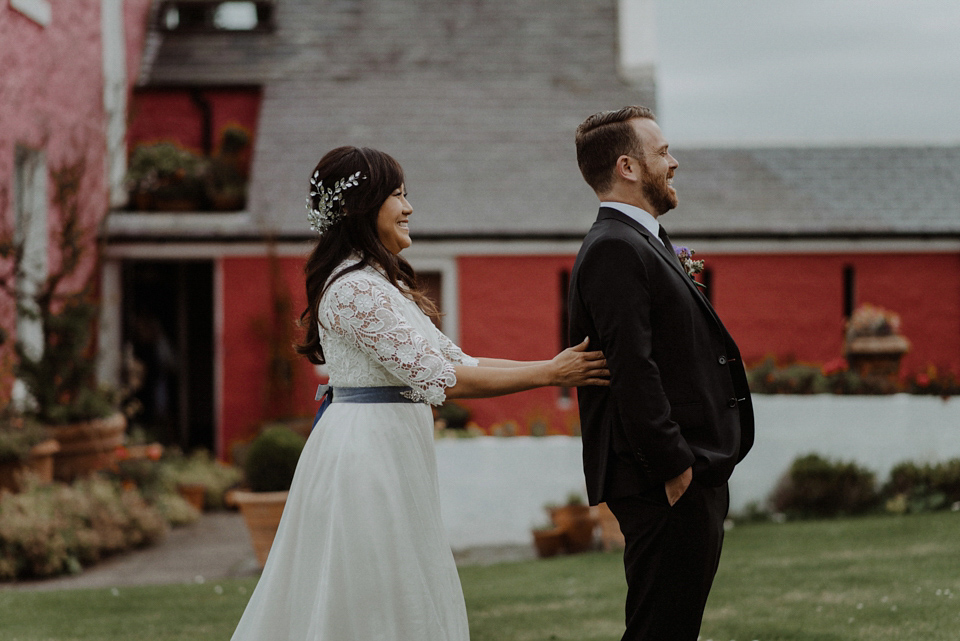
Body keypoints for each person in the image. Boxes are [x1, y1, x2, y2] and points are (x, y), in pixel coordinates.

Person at [230, 145, 609, 641]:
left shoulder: (379, 283)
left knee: (400, 582)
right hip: (366, 459)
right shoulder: (355, 289)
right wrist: (551, 375)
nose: (409, 208)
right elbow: (444, 379)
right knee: (373, 591)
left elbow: (460, 362)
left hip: (390, 450)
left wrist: (555, 365)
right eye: (397, 196)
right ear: (360, 207)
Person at [567, 106, 755, 641]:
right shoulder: (613, 248)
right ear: (628, 166)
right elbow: (633, 367)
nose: (674, 162)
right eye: (663, 152)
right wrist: (675, 467)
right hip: (664, 480)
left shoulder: (643, 240)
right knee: (660, 629)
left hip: (687, 472)